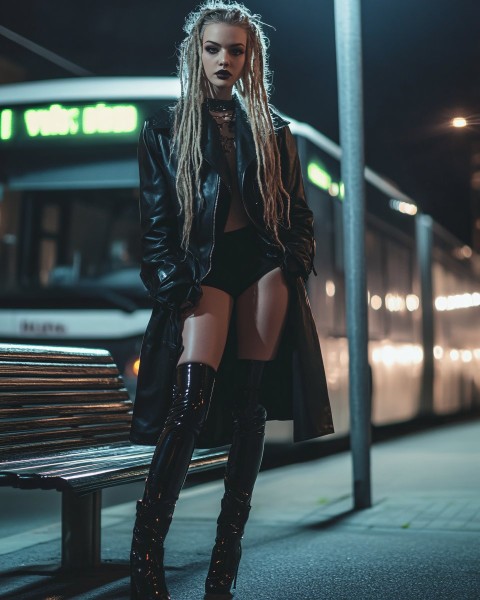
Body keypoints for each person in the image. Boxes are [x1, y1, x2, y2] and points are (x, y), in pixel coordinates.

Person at [129, 1, 334, 598]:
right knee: (190, 402)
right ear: (197, 52)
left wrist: (293, 258)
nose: (225, 59)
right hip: (203, 271)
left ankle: (225, 564)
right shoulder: (164, 131)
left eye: (236, 50)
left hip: (263, 268)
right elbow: (156, 231)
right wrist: (173, 285)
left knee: (249, 409)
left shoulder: (275, 132)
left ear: (251, 58)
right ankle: (146, 558)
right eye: (214, 48)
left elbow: (299, 214)